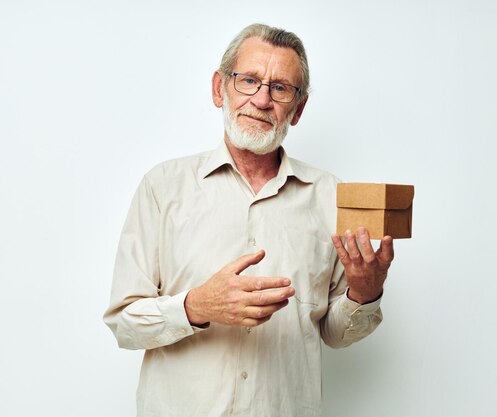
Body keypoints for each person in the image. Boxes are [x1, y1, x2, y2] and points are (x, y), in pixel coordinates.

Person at [104, 23, 395, 417]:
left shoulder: (331, 196)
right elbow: (124, 323)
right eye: (249, 81)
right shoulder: (163, 187)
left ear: (298, 108)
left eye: (280, 88)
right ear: (218, 88)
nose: (261, 100)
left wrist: (364, 294)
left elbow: (334, 333)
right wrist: (196, 306)